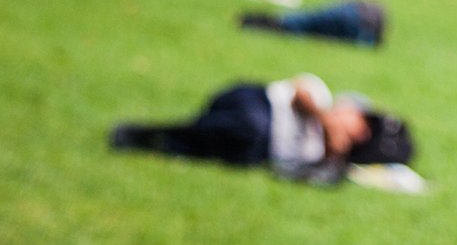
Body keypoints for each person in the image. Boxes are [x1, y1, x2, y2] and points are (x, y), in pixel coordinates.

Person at [110, 72, 414, 182]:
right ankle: (156, 135)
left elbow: (293, 176)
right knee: (250, 126)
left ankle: (162, 141)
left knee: (246, 148)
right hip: (250, 104)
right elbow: (299, 93)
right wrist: (325, 122)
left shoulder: (330, 166)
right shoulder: (320, 96)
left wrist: (328, 156)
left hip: (253, 148)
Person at [240, 0, 388, 46]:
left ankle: (276, 22)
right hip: (356, 25)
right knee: (309, 25)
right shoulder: (371, 34)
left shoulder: (368, 11)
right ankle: (276, 23)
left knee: (309, 21)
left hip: (353, 16)